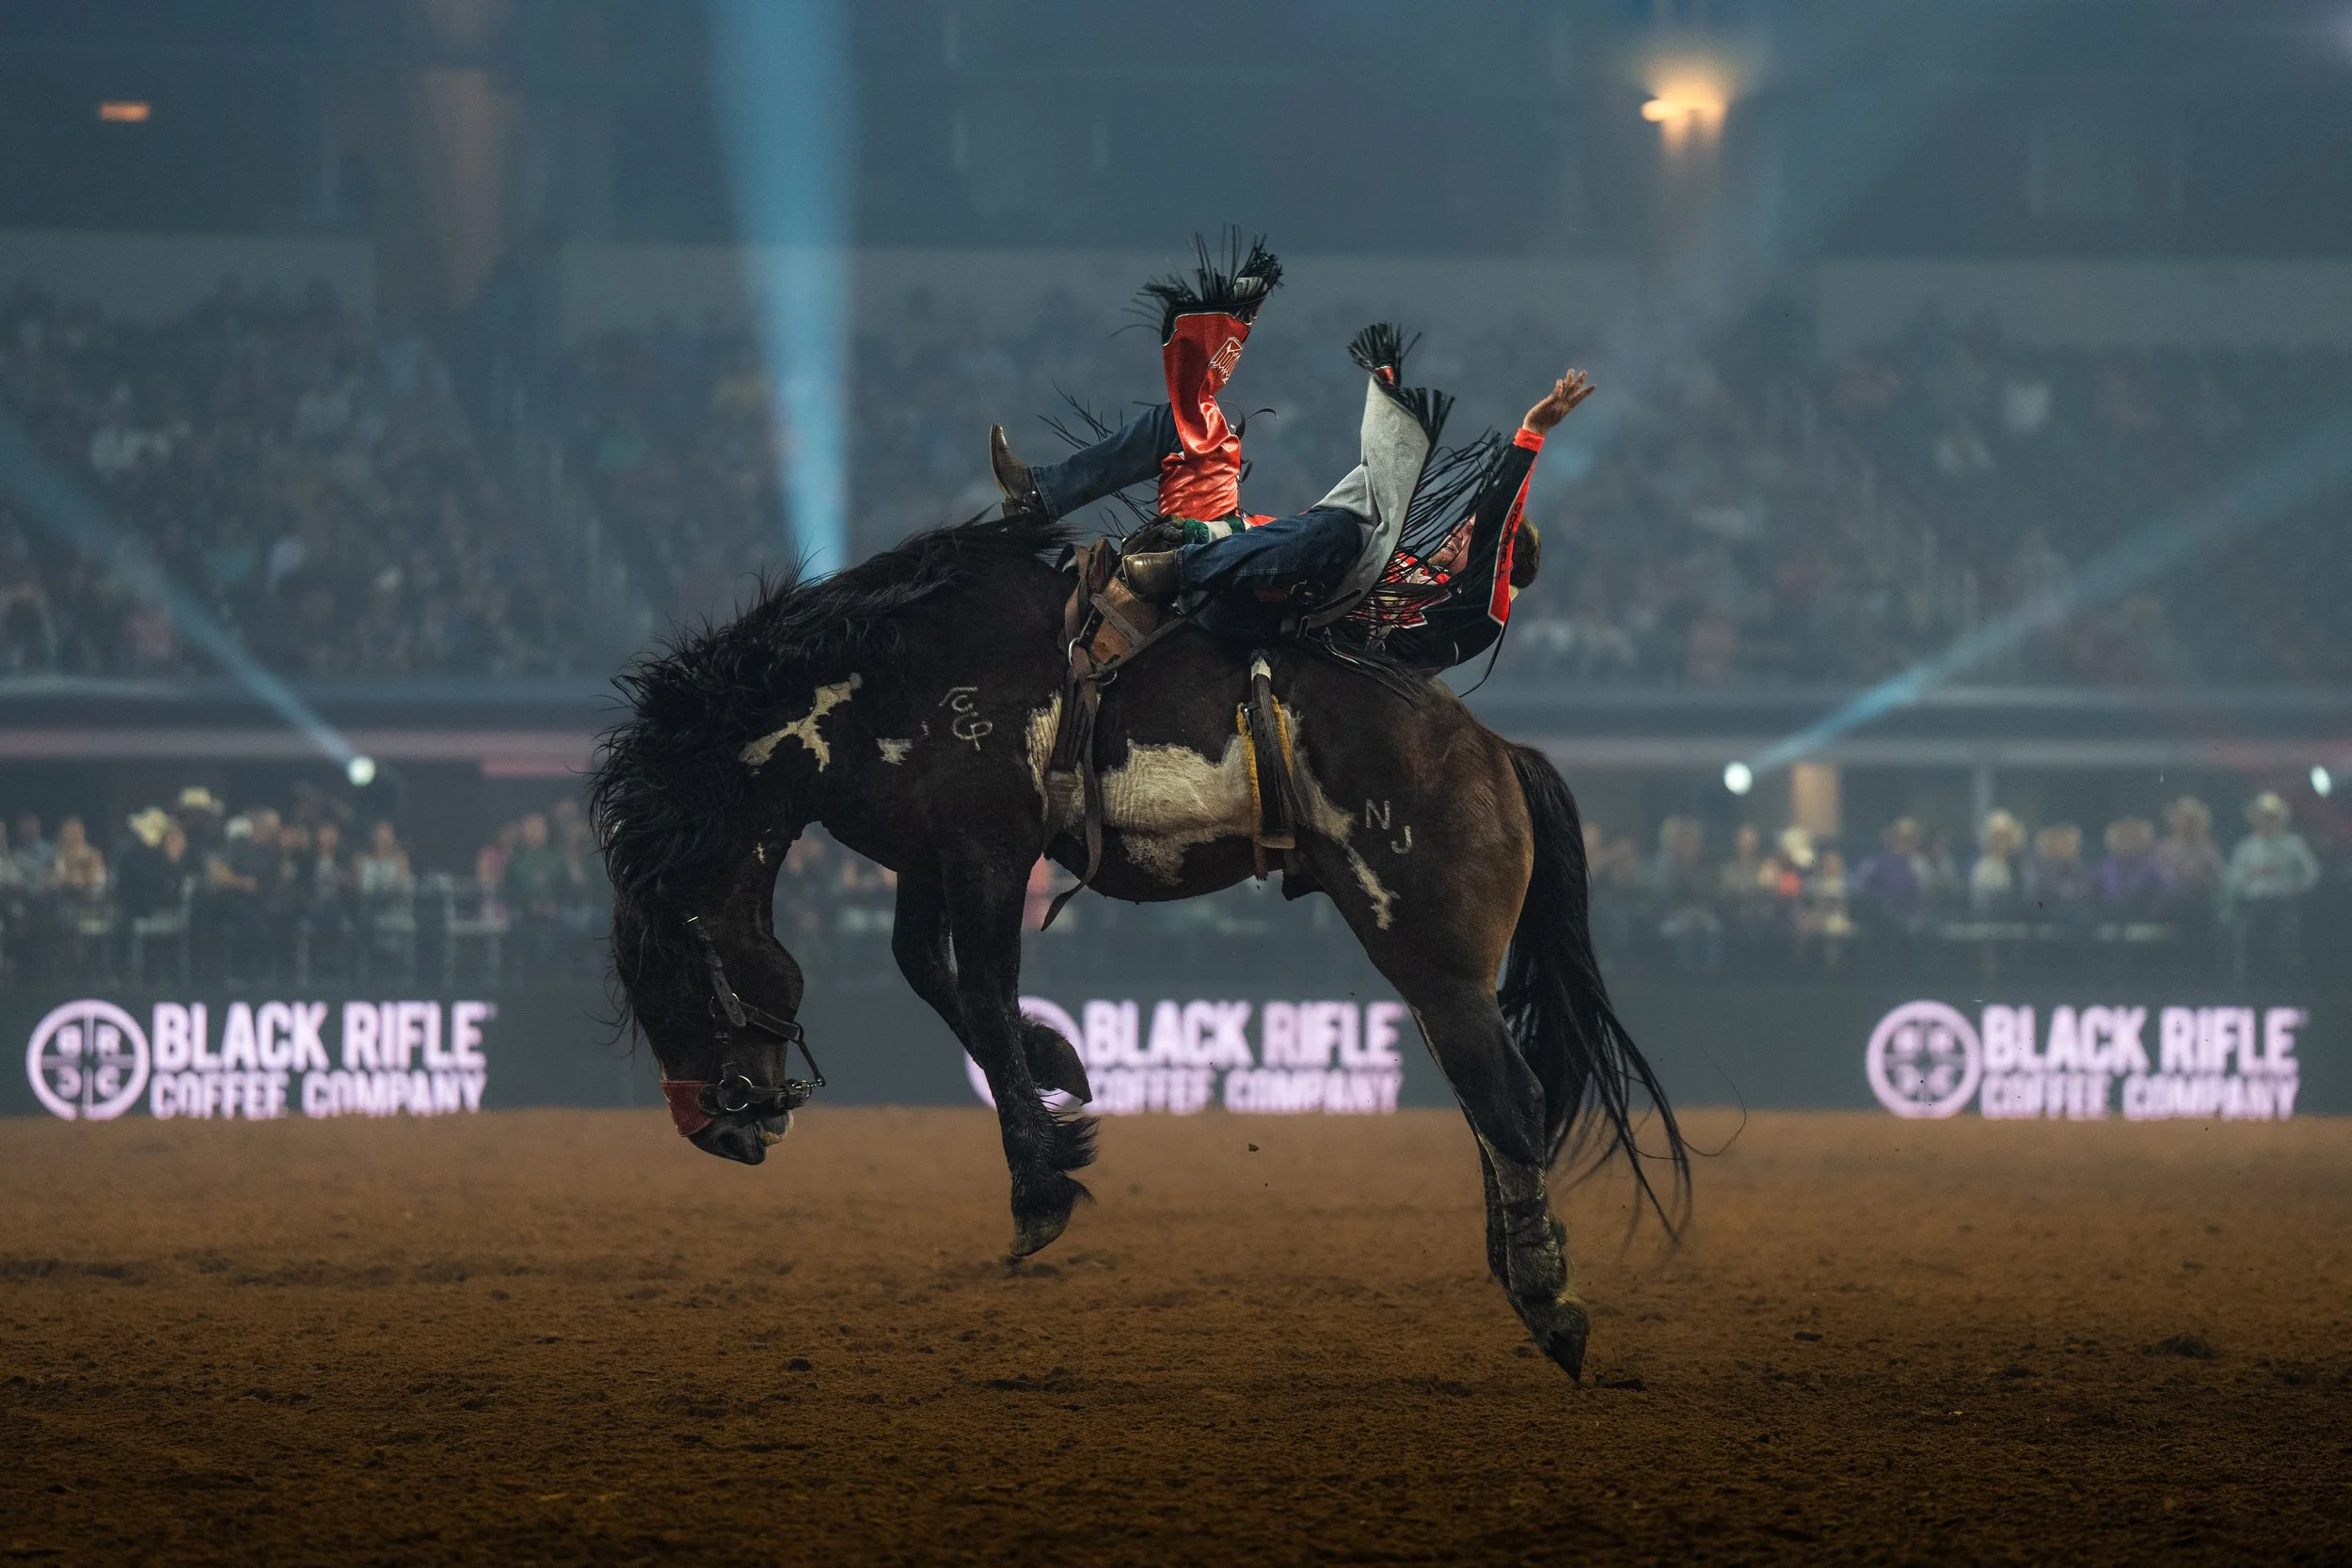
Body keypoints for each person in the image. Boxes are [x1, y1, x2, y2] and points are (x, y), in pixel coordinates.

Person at [989, 237, 1590, 648]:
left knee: (1337, 532)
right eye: (1463, 528)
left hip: (1265, 615)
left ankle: (1174, 567)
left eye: (1470, 537)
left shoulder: (1473, 614)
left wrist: (1531, 434)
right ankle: (1040, 496)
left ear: (1500, 562)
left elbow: (1499, 525)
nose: (1457, 532)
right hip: (1234, 553)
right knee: (1194, 422)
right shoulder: (1407, 565)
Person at [2224, 791, 2319, 979]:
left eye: (2272, 817)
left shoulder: (2294, 844)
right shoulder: (2246, 847)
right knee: (2253, 951)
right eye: (2263, 816)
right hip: (2254, 907)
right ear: (2255, 818)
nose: (2267, 821)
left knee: (2284, 952)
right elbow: (2233, 879)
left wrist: (2293, 888)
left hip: (2282, 906)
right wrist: (2250, 876)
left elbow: (2311, 873)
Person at [1968, 810, 2026, 916]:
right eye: (1997, 837)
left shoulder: (2017, 867)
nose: (2002, 841)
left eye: (2005, 836)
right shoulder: (1982, 868)